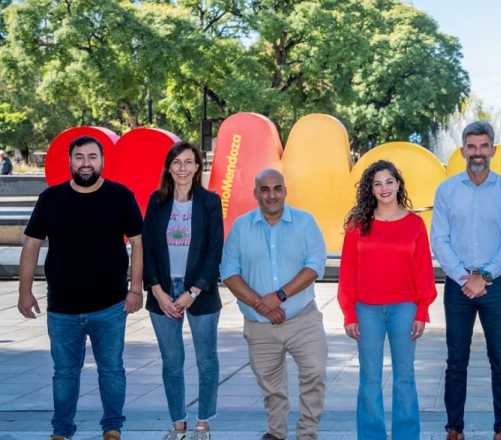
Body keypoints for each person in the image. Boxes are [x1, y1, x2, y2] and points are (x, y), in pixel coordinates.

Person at [17, 136, 144, 440]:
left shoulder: (120, 196)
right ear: (70, 161)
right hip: (62, 308)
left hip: (110, 306)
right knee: (64, 374)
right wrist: (24, 291)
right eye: (79, 157)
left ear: (101, 161)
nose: (85, 163)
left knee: (112, 371)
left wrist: (135, 288)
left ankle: (112, 428)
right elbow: (31, 244)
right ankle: (61, 431)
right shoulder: (51, 198)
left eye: (92, 157)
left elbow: (139, 243)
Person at [220, 169, 328, 440]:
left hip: (303, 319)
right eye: (265, 190)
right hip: (260, 326)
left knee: (314, 373)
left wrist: (278, 296)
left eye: (277, 188)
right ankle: (276, 433)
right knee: (271, 386)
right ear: (255, 193)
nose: (271, 195)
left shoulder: (305, 223)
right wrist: (261, 305)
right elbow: (229, 272)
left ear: (285, 191)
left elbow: (315, 265)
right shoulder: (241, 227)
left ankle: (308, 433)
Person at [431, 121, 501, 440]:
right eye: (472, 147)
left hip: (495, 286)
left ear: (493, 150)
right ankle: (454, 428)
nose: (478, 153)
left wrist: (483, 277)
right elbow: (439, 240)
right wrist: (463, 277)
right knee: (456, 361)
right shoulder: (447, 190)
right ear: (462, 150)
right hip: (458, 287)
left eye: (484, 146)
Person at [339, 160, 437, 440]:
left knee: (404, 378)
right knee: (369, 380)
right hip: (366, 309)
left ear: (398, 184)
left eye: (389, 182)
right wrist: (349, 313)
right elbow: (347, 271)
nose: (384, 188)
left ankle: (407, 436)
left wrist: (422, 311)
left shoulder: (414, 224)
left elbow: (423, 271)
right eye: (377, 183)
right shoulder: (357, 225)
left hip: (404, 309)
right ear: (370, 189)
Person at [142, 142, 224, 440]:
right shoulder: (156, 201)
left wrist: (194, 291)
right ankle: (178, 424)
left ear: (197, 167)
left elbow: (215, 250)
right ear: (169, 167)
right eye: (177, 162)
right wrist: (158, 291)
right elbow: (147, 248)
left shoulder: (210, 202)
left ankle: (203, 424)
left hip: (199, 293)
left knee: (207, 360)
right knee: (172, 362)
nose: (182, 168)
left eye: (189, 162)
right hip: (163, 291)